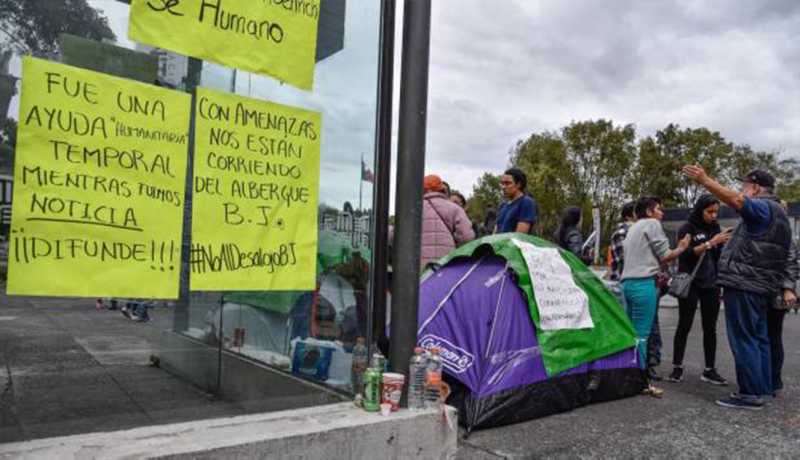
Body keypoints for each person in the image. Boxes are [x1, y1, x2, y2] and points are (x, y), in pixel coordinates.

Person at [683, 166, 792, 409]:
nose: (742, 190)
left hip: (745, 283)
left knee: (744, 338)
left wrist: (705, 180)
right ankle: (763, 388)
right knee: (759, 338)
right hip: (762, 284)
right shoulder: (779, 214)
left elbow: (736, 200)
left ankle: (750, 394)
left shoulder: (763, 206)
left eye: (744, 186)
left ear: (755, 188)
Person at [621, 196, 691, 397]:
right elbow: (666, 255)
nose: (662, 213)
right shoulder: (652, 224)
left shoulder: (632, 228)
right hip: (644, 283)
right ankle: (641, 382)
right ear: (649, 212)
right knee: (642, 335)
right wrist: (682, 247)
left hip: (627, 283)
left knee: (631, 333)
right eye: (659, 209)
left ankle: (628, 376)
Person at [666, 194, 732, 385]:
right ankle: (677, 367)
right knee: (684, 325)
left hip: (711, 283)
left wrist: (723, 246)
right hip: (691, 282)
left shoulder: (715, 228)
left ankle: (709, 369)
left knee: (710, 328)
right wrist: (710, 243)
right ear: (700, 210)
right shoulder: (687, 228)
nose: (713, 215)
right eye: (709, 211)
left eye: (716, 212)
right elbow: (685, 254)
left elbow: (718, 256)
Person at [768, 200, 798, 398]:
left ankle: (774, 381)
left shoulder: (785, 233)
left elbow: (791, 262)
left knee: (773, 336)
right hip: (760, 290)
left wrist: (788, 289)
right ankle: (763, 380)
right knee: (763, 337)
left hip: (776, 292)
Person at [421, 175, 475, 267]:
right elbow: (467, 237)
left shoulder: (414, 209)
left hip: (419, 264)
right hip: (446, 262)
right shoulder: (455, 208)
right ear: (441, 189)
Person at [495, 168, 538, 234]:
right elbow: (495, 233)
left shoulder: (526, 202)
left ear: (518, 184)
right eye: (502, 183)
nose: (503, 187)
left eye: (507, 183)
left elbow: (519, 236)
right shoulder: (503, 205)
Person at [609, 202, 636, 281]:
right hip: (622, 281)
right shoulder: (621, 233)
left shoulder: (638, 231)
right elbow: (624, 259)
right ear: (628, 217)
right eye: (637, 212)